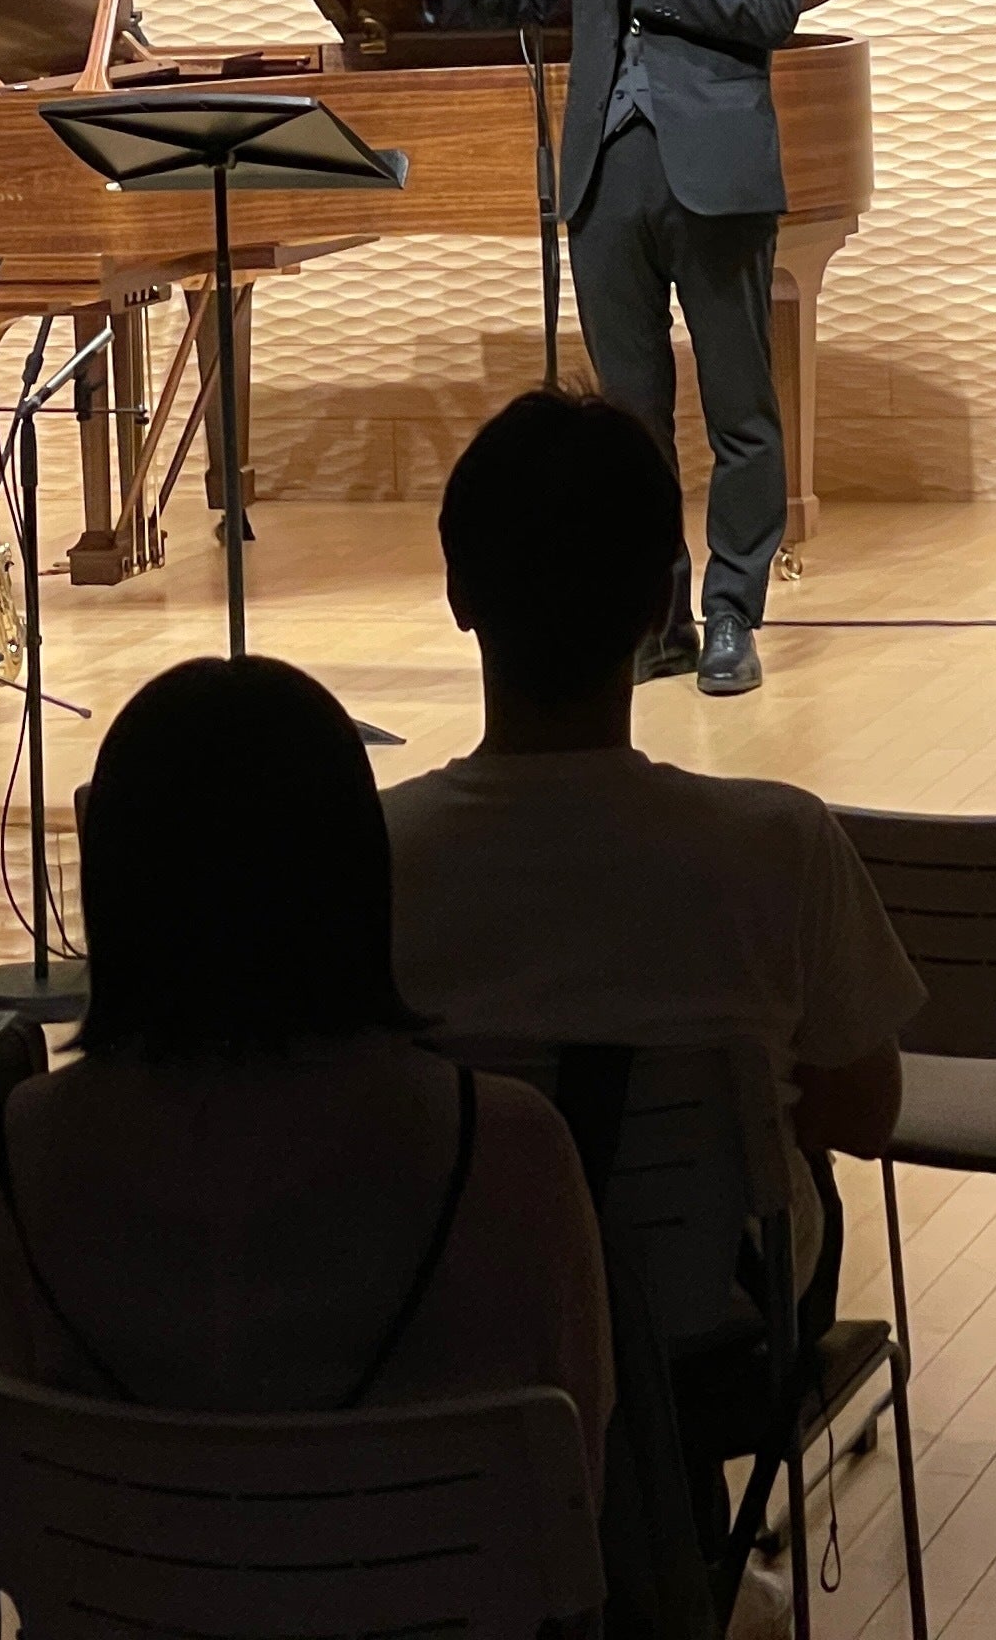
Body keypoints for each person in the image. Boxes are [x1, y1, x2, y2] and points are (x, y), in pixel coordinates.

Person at [0, 655, 609, 1490]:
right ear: (359, 865)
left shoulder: (28, 1145)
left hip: (125, 1570)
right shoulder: (509, 1142)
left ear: (114, 876)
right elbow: (579, 1472)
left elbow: (24, 1463)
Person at [380, 391, 921, 1333]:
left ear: (460, 595)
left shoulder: (369, 858)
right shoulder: (781, 844)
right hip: (722, 1326)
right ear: (658, 604)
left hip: (455, 1321)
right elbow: (864, 1112)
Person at [353, 0, 810, 693]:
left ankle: (731, 616)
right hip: (606, 169)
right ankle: (657, 616)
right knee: (629, 420)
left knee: (740, 409)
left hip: (716, 174)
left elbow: (772, 9)